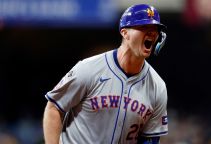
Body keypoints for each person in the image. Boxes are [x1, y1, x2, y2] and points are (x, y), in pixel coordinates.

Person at [43, 4, 168, 144]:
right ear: (125, 32)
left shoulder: (157, 86)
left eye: (155, 29)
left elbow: (150, 138)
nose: (152, 33)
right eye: (144, 27)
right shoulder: (89, 69)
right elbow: (54, 107)